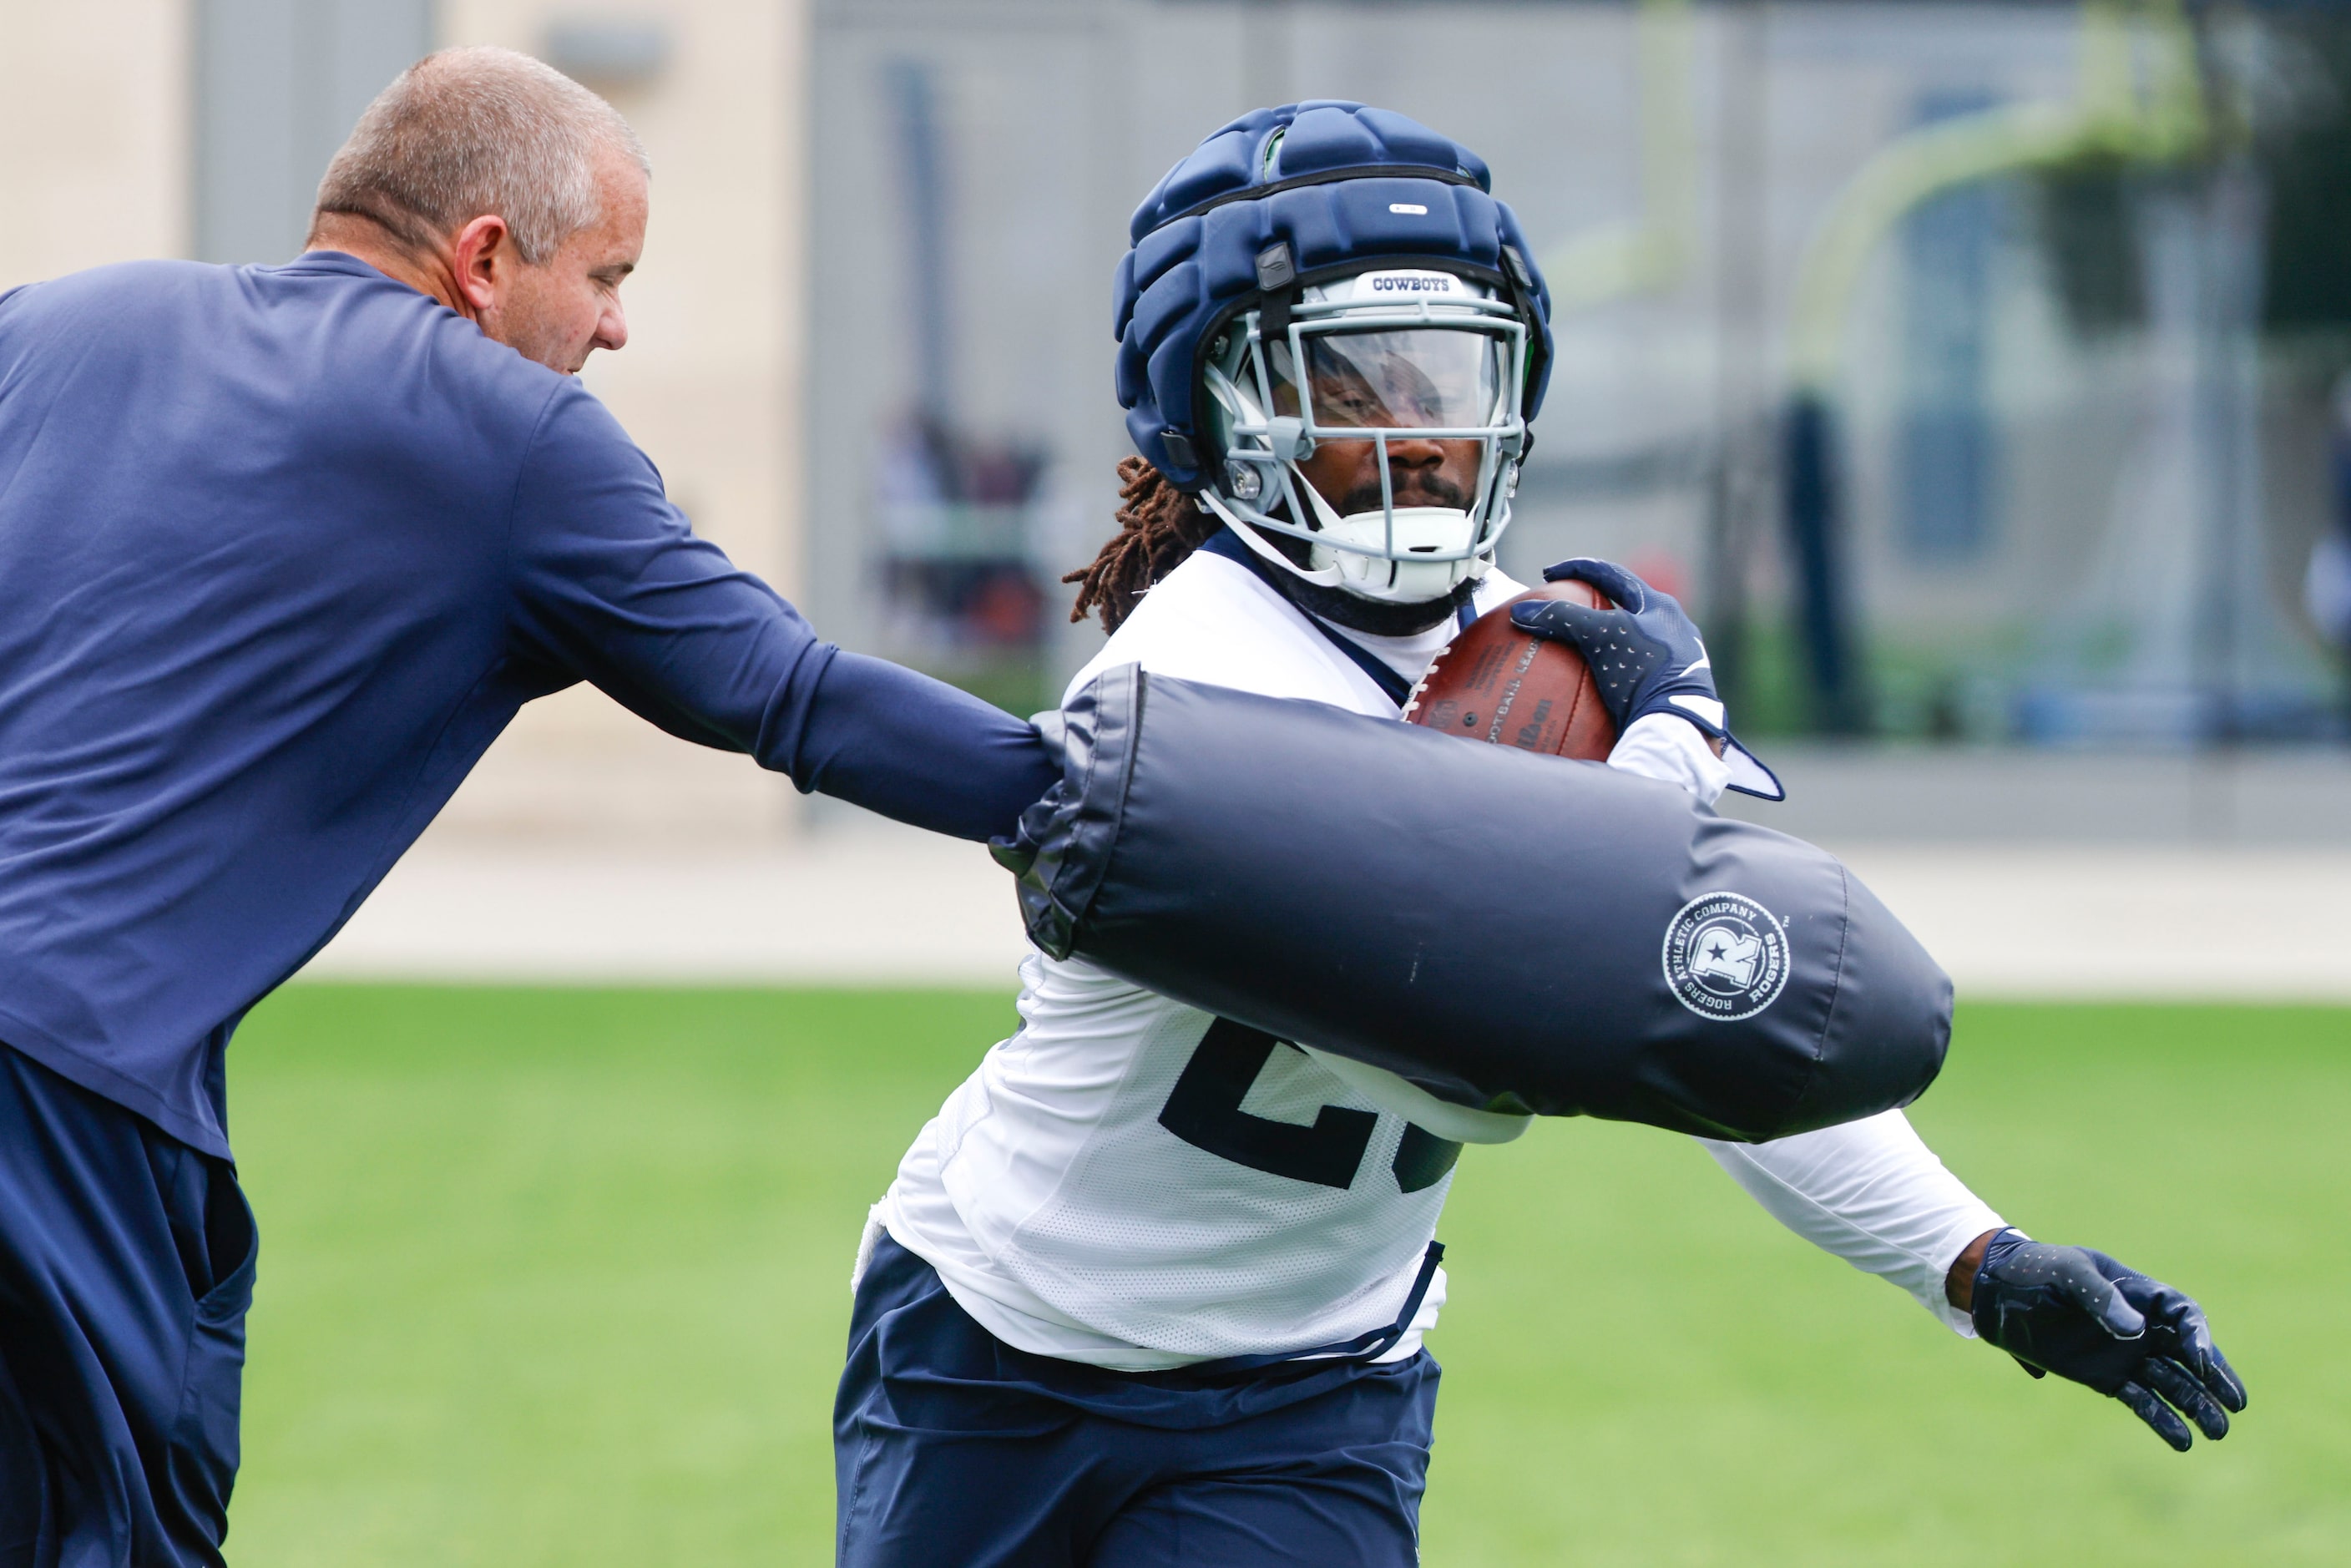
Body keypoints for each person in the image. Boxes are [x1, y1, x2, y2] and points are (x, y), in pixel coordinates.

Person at [833, 102, 2245, 1567]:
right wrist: (1670, 749)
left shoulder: (1540, 652)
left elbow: (1705, 999)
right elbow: (1503, 992)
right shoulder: (1186, 676)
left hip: (1313, 1383)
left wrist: (1980, 1260)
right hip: (999, 1348)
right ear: (1216, 403)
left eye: (1452, 376)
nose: (1421, 433)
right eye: (1354, 381)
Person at [0, 48, 1069, 1568]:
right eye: (607, 275)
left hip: (111, 1100)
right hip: (62, 1098)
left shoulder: (58, 321)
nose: (620, 326)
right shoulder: (517, 440)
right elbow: (801, 699)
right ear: (486, 258)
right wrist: (1124, 797)